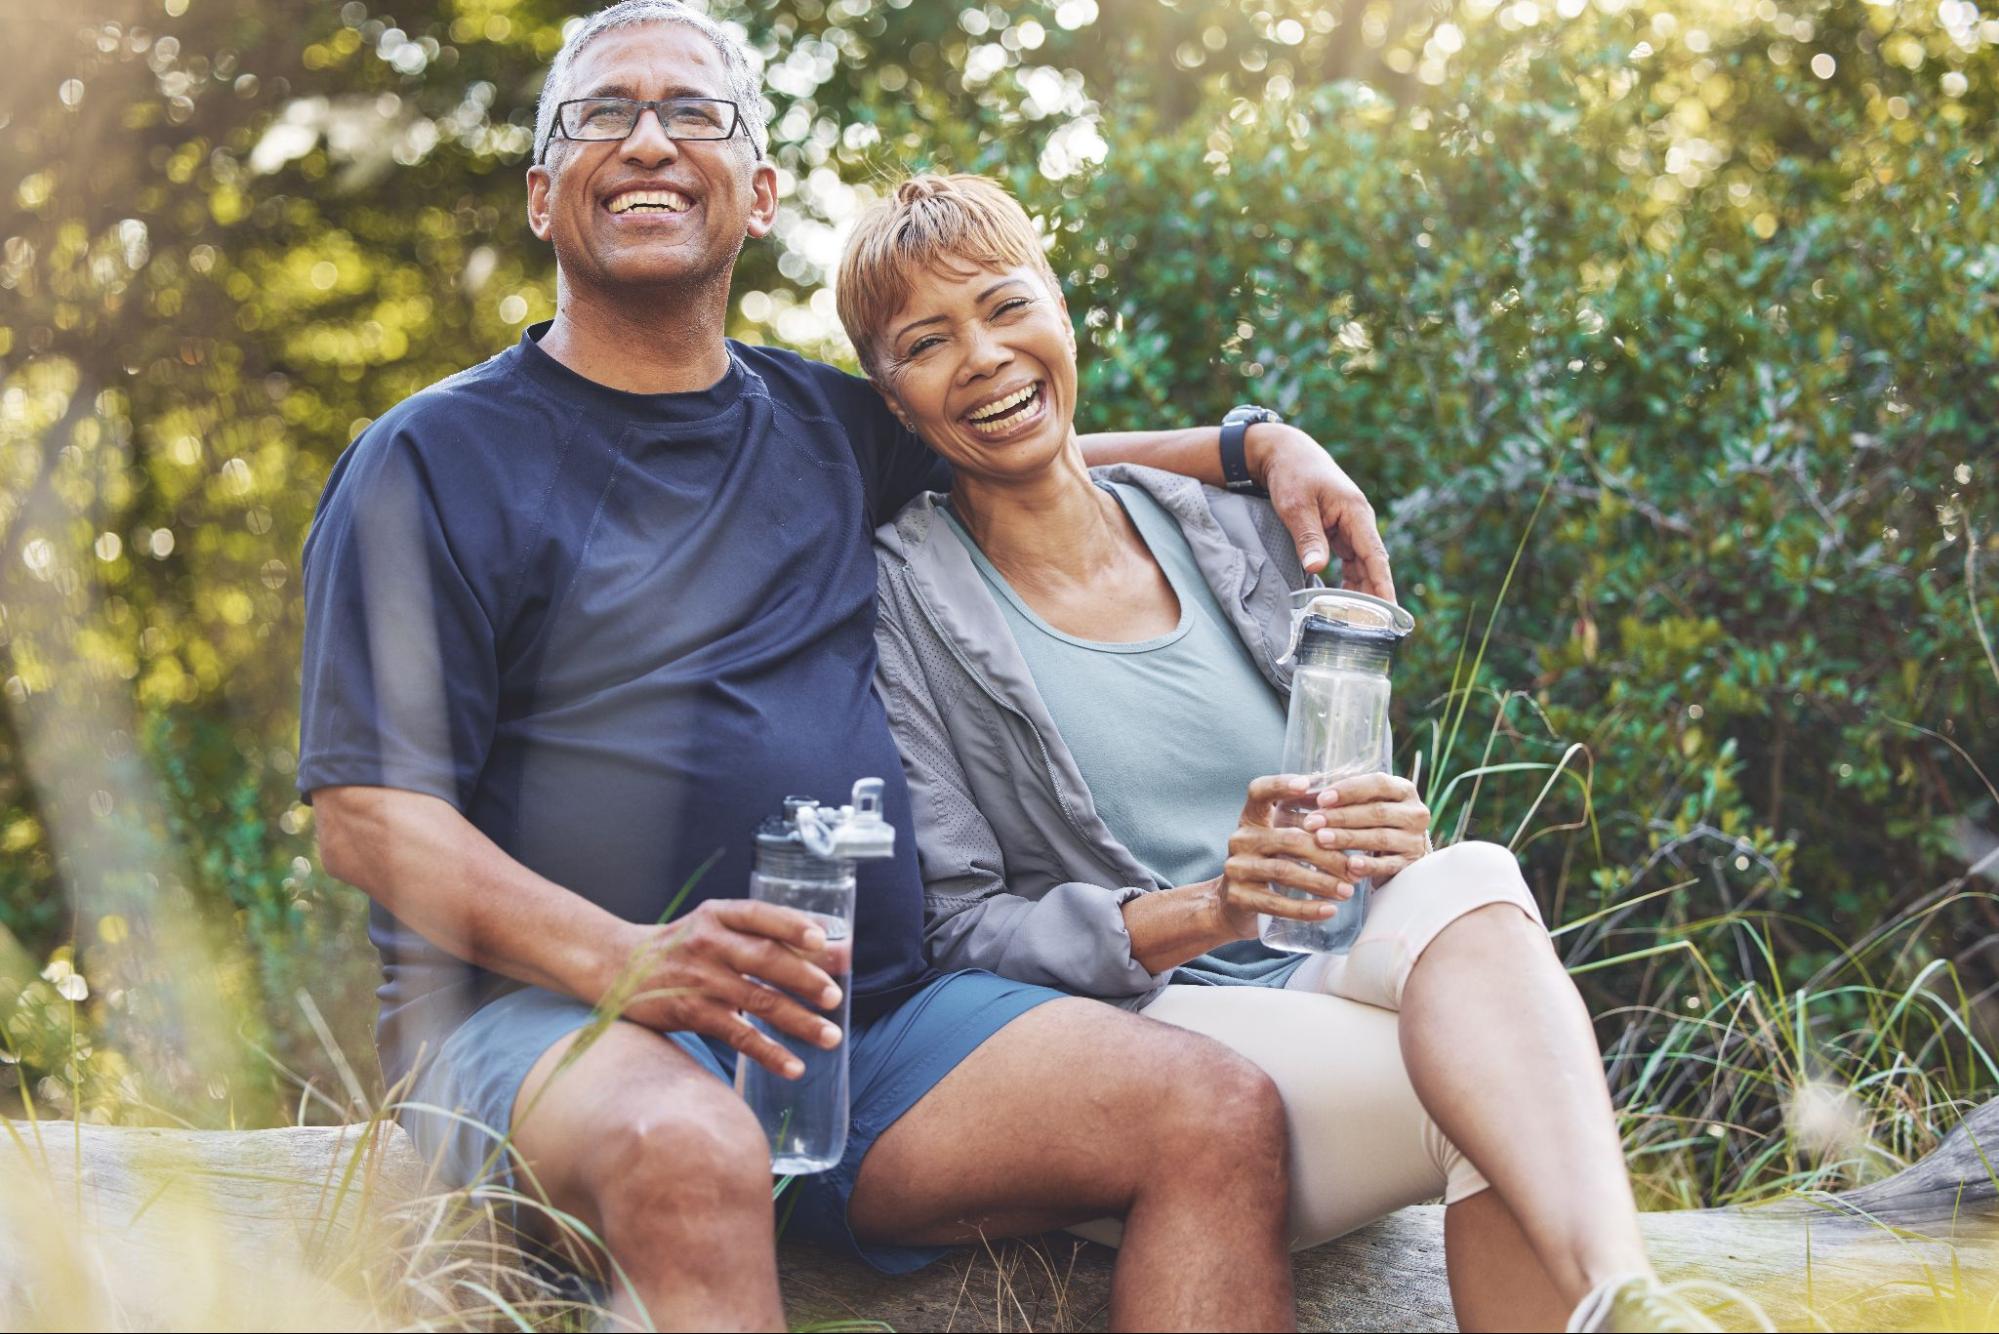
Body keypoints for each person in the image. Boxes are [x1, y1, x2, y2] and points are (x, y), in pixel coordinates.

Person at [299, 5, 1396, 1330]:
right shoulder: (430, 460)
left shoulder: (826, 424)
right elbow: (369, 816)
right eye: (602, 112)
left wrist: (1250, 443)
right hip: (547, 1021)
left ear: (758, 193)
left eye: (693, 112)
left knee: (1206, 1108)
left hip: (864, 1025)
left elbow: (1024, 441)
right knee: (690, 1146)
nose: (648, 141)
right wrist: (627, 961)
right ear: (544, 194)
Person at [842, 173, 1724, 1334]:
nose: (987, 356)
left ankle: (1629, 1298)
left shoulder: (1231, 520)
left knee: (1470, 873)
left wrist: (1383, 828)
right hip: (1154, 1027)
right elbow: (963, 927)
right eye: (928, 341)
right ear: (893, 402)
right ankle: (1615, 1291)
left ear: (1061, 313)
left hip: (1347, 959)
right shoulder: (898, 598)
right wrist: (1210, 904)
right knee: (1495, 1104)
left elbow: (1343, 784)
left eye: (1007, 307)